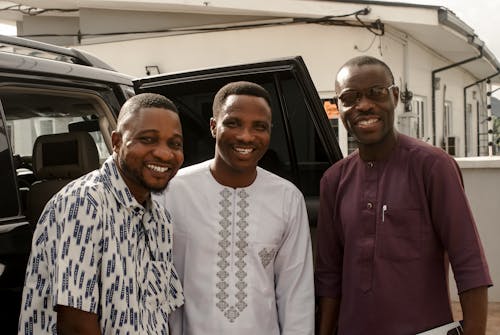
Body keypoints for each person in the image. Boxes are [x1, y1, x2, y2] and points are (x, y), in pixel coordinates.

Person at [315, 56, 492, 335]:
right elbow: (328, 276)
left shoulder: (433, 167)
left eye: (376, 92)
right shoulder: (334, 181)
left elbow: (469, 263)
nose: (364, 105)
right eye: (350, 97)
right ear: (338, 107)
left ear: (395, 96)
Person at [155, 81, 314, 334]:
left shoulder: (287, 198)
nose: (246, 136)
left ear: (269, 132)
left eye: (259, 127)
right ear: (213, 126)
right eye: (233, 123)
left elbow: (296, 293)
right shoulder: (172, 191)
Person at [18, 93, 185, 334]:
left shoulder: (159, 218)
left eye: (175, 144)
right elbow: (76, 326)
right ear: (116, 142)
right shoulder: (83, 203)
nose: (164, 153)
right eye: (148, 139)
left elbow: (159, 311)